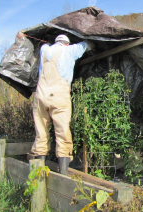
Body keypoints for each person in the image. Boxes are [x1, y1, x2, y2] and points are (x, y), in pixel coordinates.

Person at [31, 34, 93, 175]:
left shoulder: (44, 50)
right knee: (62, 131)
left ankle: (39, 171)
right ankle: (63, 173)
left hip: (40, 95)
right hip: (58, 95)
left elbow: (45, 44)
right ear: (67, 43)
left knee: (41, 132)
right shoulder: (70, 50)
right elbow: (87, 44)